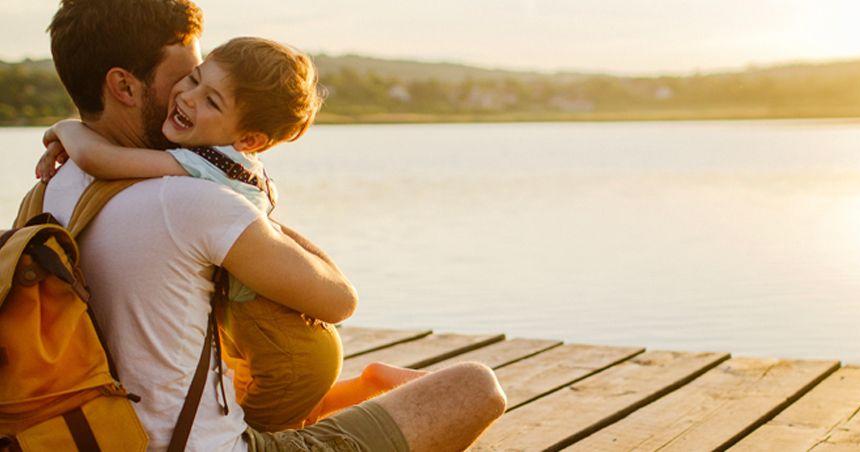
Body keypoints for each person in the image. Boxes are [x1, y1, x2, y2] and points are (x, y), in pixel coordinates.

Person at [36, 0, 507, 451]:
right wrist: (252, 207)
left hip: (92, 436)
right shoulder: (191, 200)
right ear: (124, 86)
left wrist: (69, 129)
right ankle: (365, 389)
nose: (187, 96)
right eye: (186, 78)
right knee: (475, 387)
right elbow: (338, 299)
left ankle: (359, 389)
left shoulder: (50, 190)